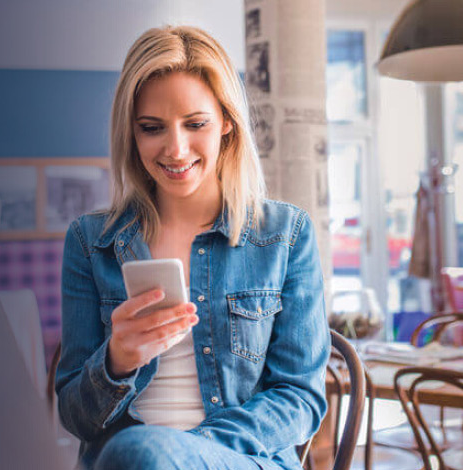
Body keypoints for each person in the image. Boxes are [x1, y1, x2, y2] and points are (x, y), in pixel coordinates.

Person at [56, 25, 329, 470]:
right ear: (132, 133)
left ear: (226, 121)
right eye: (152, 128)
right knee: (134, 452)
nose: (176, 148)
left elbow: (300, 398)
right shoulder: (91, 242)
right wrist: (117, 361)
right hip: (126, 463)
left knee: (140, 451)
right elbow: (74, 415)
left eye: (195, 123)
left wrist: (189, 451)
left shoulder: (286, 234)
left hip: (243, 460)